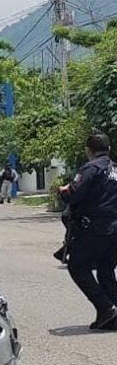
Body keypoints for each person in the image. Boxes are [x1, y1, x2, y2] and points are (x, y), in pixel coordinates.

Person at [59, 132, 117, 330]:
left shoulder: (91, 168)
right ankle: (112, 314)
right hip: (114, 228)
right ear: (108, 149)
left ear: (88, 150)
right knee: (105, 269)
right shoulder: (115, 169)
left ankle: (106, 308)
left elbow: (73, 194)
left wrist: (64, 190)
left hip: (95, 227)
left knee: (77, 266)